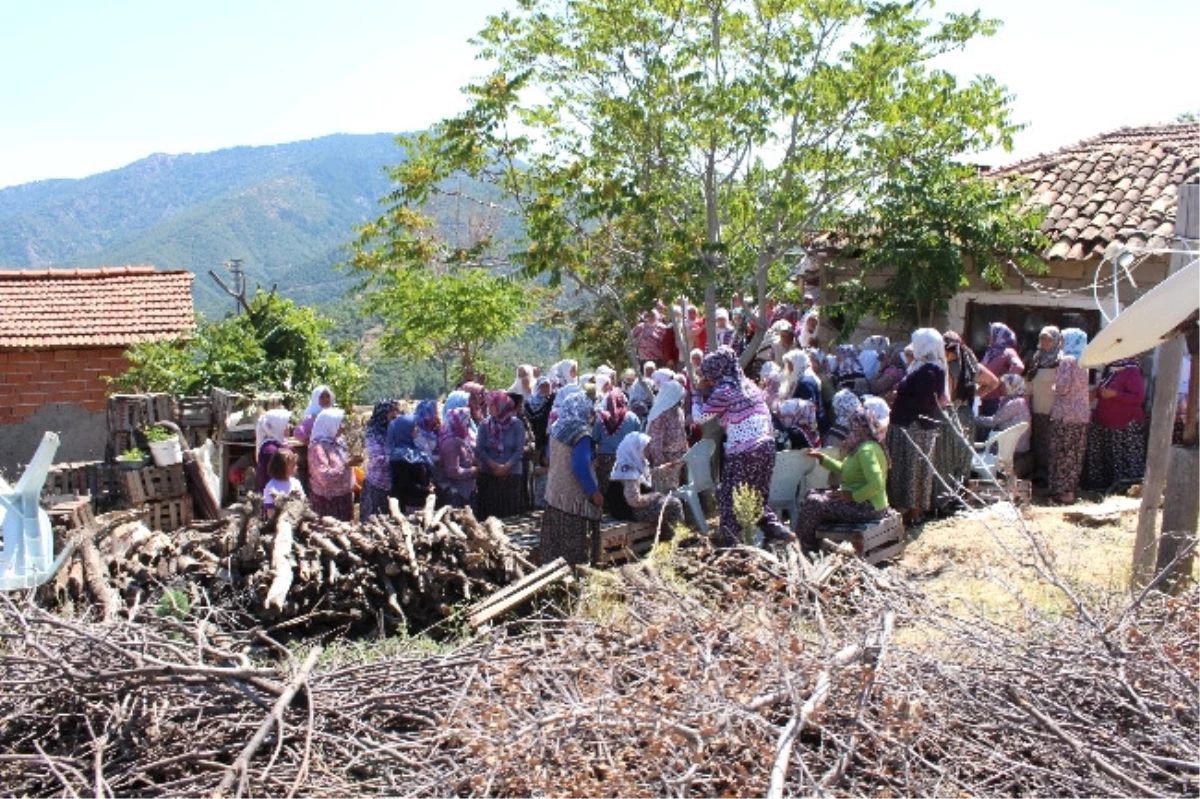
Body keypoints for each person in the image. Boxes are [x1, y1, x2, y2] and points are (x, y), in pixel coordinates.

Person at [695, 347, 794, 546]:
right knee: (753, 495)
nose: (708, 379)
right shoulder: (748, 385)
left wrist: (697, 393)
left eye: (709, 375)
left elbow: (700, 417)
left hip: (745, 451)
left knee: (731, 496)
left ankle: (731, 544)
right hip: (766, 447)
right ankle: (776, 531)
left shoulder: (725, 390)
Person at [797, 398, 891, 552]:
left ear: (862, 427)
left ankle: (805, 547)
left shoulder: (866, 449)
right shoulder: (863, 445)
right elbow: (845, 469)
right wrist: (822, 459)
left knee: (815, 503)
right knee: (812, 494)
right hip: (863, 503)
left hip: (868, 508)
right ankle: (810, 543)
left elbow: (877, 483)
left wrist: (852, 496)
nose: (851, 430)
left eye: (854, 426)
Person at [887, 329, 946, 525]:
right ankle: (912, 510)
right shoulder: (925, 367)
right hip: (916, 425)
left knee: (912, 468)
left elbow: (923, 402)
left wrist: (899, 397)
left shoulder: (928, 371)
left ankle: (913, 511)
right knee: (915, 469)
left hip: (913, 427)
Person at [539, 391, 604, 567]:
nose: (591, 415)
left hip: (554, 495)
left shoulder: (557, 427)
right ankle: (571, 580)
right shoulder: (582, 434)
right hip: (571, 500)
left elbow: (549, 458)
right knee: (571, 551)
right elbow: (580, 467)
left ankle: (550, 579)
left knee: (553, 547)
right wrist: (594, 492)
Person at [933, 331, 996, 511]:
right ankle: (958, 499)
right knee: (962, 459)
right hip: (966, 415)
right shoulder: (971, 364)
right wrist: (974, 395)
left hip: (948, 415)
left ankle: (942, 502)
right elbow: (993, 382)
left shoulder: (944, 365)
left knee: (944, 459)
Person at [1083, 356, 1147, 491]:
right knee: (1109, 456)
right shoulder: (1111, 369)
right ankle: (1107, 487)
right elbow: (1104, 390)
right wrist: (1096, 393)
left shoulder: (1132, 370)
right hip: (1106, 422)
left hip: (1124, 424)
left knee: (1124, 458)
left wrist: (1116, 394)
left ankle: (1126, 488)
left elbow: (1138, 397)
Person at [606, 432, 685, 536]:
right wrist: (655, 496)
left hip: (626, 508)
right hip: (628, 511)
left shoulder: (629, 462)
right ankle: (676, 539)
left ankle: (669, 537)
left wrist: (665, 469)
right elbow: (634, 501)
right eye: (645, 448)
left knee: (667, 503)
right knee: (674, 504)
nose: (648, 451)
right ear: (635, 448)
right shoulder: (628, 470)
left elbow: (646, 474)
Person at [1048, 329, 1091, 504]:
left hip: (1066, 415)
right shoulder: (1083, 361)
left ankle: (1061, 493)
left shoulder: (1067, 361)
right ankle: (1070, 491)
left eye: (1064, 340)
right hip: (1081, 416)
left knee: (1062, 453)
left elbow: (1063, 387)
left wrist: (1053, 387)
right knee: (1074, 455)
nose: (1061, 344)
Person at [475, 391, 526, 519]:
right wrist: (494, 466)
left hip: (511, 475)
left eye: (493, 405)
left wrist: (506, 467)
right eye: (489, 405)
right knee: (490, 516)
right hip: (489, 475)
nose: (489, 408)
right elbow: (480, 449)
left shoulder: (516, 424)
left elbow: (519, 450)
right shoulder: (485, 425)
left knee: (509, 515)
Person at [976, 373, 1033, 477]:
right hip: (1016, 445)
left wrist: (973, 419)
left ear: (1011, 386)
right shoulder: (1018, 401)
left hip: (1014, 447)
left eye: (1003, 385)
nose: (1001, 388)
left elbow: (993, 421)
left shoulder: (1015, 403)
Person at [1025, 326, 1062, 484]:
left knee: (1051, 442)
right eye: (1042, 338)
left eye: (1049, 339)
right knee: (1038, 441)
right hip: (1036, 407)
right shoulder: (1037, 357)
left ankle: (1051, 476)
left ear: (1056, 340)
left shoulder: (1059, 360)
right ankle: (1039, 474)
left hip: (1052, 409)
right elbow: (1030, 379)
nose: (1045, 342)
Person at [308, 408, 359, 521]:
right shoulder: (318, 448)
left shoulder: (338, 441)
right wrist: (346, 465)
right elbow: (324, 478)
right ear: (329, 424)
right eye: (339, 423)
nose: (343, 426)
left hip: (344, 497)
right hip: (328, 501)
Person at [593, 388, 641, 498]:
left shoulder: (601, 418)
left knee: (606, 489)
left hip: (605, 460)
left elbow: (595, 438)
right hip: (626, 459)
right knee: (623, 490)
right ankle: (623, 512)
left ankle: (606, 512)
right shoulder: (632, 417)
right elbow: (638, 438)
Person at [646, 379, 688, 493]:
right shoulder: (660, 414)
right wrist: (662, 464)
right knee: (666, 493)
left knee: (674, 490)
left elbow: (682, 432)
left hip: (677, 459)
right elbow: (655, 442)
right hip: (665, 459)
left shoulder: (678, 411)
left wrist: (685, 453)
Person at [360, 399, 399, 519]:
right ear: (383, 412)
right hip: (377, 483)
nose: (395, 414)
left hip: (394, 483)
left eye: (396, 410)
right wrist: (398, 457)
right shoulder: (373, 433)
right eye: (392, 411)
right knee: (374, 519)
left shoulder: (394, 430)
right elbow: (378, 459)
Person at [388, 413, 434, 514]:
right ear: (405, 430)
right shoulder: (400, 457)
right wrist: (426, 490)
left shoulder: (415, 449)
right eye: (414, 426)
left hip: (421, 501)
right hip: (408, 506)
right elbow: (405, 485)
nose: (418, 429)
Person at [979, 323, 1025, 416]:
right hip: (983, 398)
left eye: (992, 334)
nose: (989, 336)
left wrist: (1002, 383)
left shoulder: (1008, 351)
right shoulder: (990, 352)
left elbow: (1018, 366)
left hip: (996, 400)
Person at [438, 406, 478, 509]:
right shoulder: (451, 442)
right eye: (466, 420)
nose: (468, 424)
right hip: (458, 494)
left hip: (467, 490)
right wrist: (474, 471)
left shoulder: (461, 438)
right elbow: (453, 471)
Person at [782, 349, 827, 431]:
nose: (788, 368)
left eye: (790, 365)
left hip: (812, 427)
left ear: (797, 363)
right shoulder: (801, 378)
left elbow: (808, 409)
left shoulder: (805, 382)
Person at [254, 408, 293, 494]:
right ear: (277, 425)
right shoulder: (270, 449)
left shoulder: (278, 442)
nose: (289, 426)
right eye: (286, 423)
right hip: (273, 494)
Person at [263, 449, 305, 518]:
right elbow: (270, 511)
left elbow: (303, 502)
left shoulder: (296, 483)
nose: (296, 467)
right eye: (293, 465)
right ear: (282, 467)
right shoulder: (271, 486)